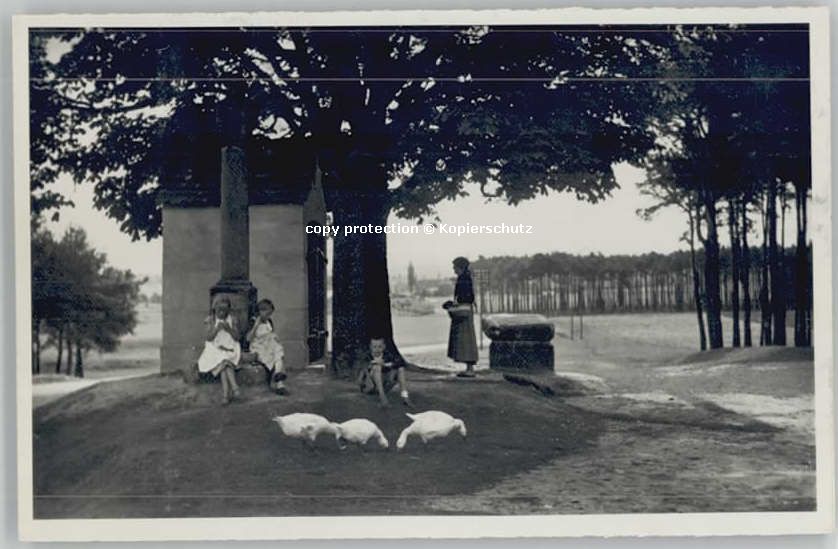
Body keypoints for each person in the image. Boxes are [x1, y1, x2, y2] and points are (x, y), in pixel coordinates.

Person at [197, 296, 242, 404]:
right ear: (214, 309)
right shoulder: (210, 319)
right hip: (214, 348)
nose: (222, 313)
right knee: (224, 360)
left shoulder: (233, 319)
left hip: (229, 346)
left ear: (228, 310)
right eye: (219, 310)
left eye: (225, 310)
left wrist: (229, 329)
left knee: (224, 361)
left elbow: (237, 337)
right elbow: (209, 338)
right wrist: (217, 329)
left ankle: (225, 395)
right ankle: (234, 388)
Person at [246, 298, 288, 395]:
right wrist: (256, 325)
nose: (268, 316)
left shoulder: (269, 321)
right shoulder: (253, 321)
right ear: (260, 311)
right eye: (266, 313)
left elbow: (271, 333)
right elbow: (248, 338)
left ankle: (279, 378)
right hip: (258, 346)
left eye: (270, 314)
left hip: (269, 344)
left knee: (278, 351)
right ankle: (279, 383)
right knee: (272, 356)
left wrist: (275, 337)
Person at [446, 256, 479, 377]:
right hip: (466, 311)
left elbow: (463, 297)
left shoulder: (463, 279)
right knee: (467, 340)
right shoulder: (466, 277)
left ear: (460, 267)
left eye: (455, 267)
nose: (453, 269)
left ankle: (470, 369)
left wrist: (452, 305)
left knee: (466, 340)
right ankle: (469, 368)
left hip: (463, 312)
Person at [360, 338, 412, 408]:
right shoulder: (367, 357)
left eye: (380, 347)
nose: (377, 349)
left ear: (384, 347)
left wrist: (384, 364)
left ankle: (405, 396)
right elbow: (362, 375)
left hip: (385, 383)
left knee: (400, 369)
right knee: (376, 367)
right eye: (374, 347)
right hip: (371, 386)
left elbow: (399, 363)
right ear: (370, 347)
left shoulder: (387, 355)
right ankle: (383, 398)